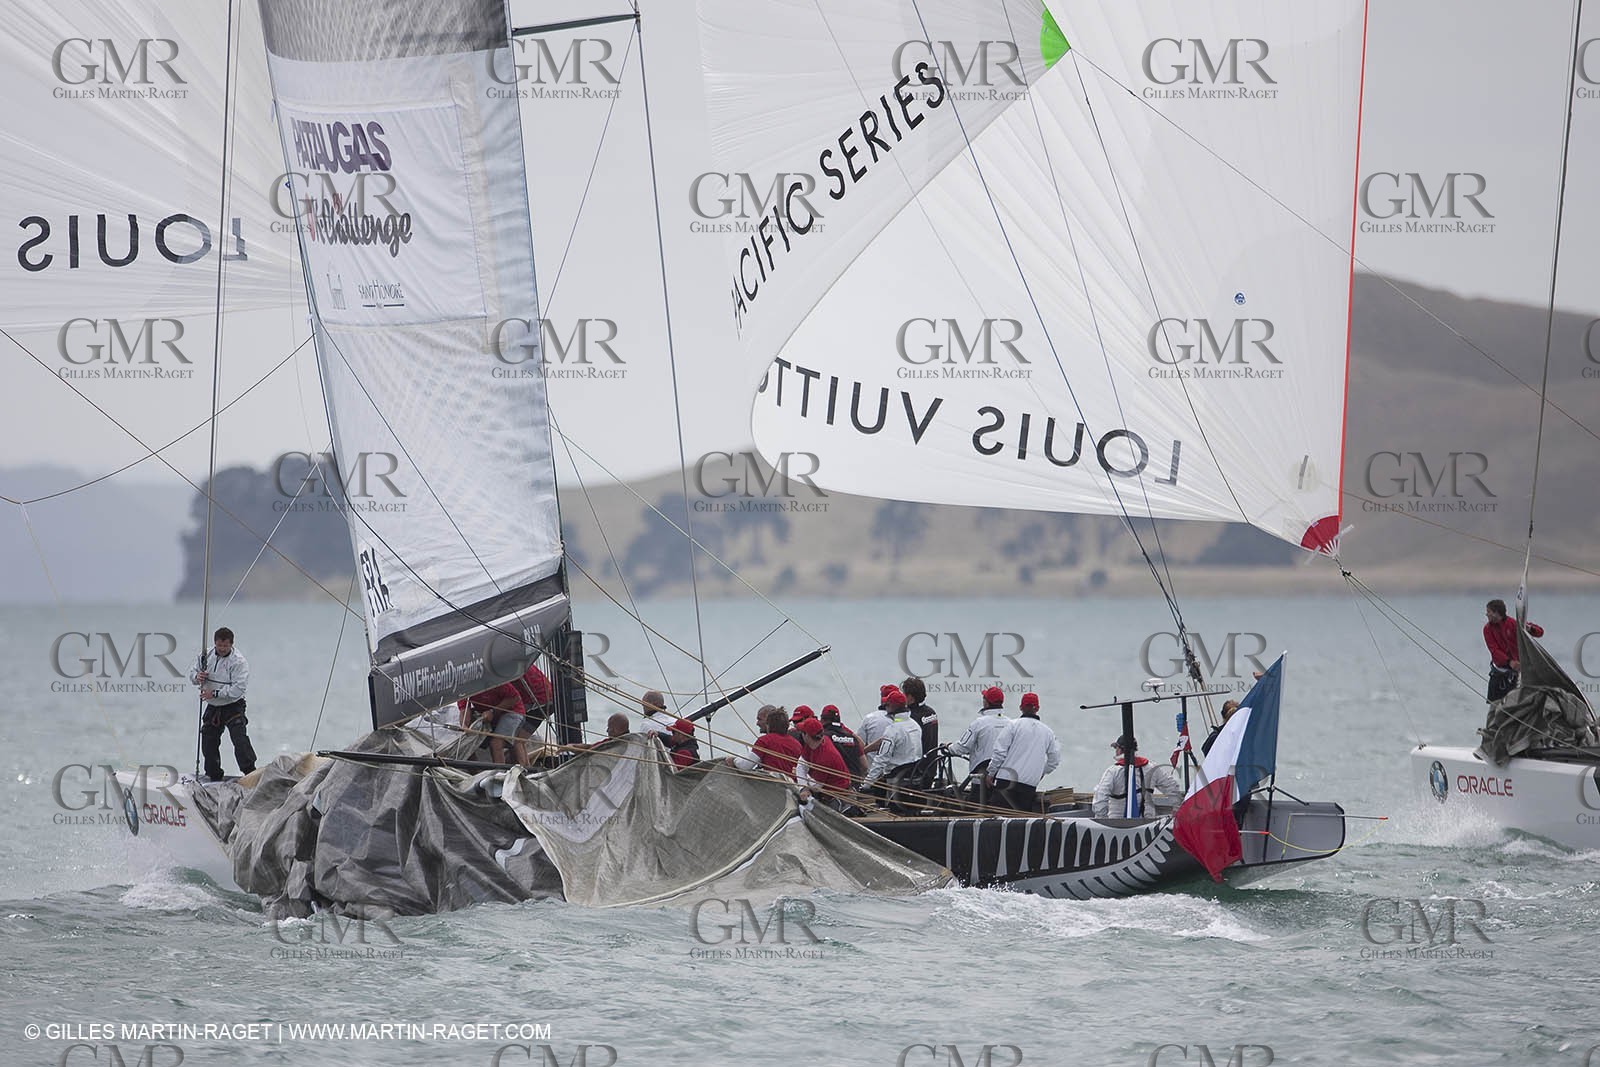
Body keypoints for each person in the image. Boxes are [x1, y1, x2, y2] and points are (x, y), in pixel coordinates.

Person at [189, 626, 257, 783]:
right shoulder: (205, 656)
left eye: (225, 646)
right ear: (215, 643)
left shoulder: (239, 662)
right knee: (208, 740)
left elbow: (238, 689)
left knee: (239, 739)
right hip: (213, 706)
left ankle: (250, 773)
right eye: (219, 645)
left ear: (231, 644)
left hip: (233, 705)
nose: (222, 649)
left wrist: (215, 693)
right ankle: (214, 776)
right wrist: (197, 677)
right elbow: (192, 674)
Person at [985, 692, 1059, 813]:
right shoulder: (1048, 732)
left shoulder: (1013, 725)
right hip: (1029, 785)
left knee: (997, 816)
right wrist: (1041, 773)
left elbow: (1000, 752)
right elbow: (1054, 760)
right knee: (1019, 818)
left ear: (1021, 707)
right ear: (1037, 709)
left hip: (1006, 781)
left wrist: (991, 773)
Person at [1092, 736, 1186, 818]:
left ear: (1120, 750)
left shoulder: (1112, 772)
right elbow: (1172, 787)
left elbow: (1100, 798)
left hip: (1117, 823)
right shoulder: (1152, 768)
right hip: (1148, 823)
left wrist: (1101, 819)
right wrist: (1177, 808)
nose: (1115, 751)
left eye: (1116, 748)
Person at [860, 687, 923, 810]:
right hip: (914, 778)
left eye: (887, 706)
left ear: (891, 707)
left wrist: (866, 784)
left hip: (896, 782)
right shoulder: (915, 725)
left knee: (879, 788)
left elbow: (881, 759)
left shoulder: (892, 730)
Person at [947, 686, 1007, 800]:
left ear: (986, 702)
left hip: (980, 780)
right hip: (1002, 779)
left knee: (974, 806)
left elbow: (962, 747)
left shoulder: (979, 723)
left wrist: (948, 747)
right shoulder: (1011, 724)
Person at [1483, 599, 1545, 703]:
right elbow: (1494, 650)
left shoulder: (1513, 624)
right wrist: (1509, 662)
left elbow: (1540, 632)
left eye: (1488, 612)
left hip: (1516, 671)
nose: (1486, 614)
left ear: (1496, 613)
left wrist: (1529, 628)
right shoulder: (1487, 629)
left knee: (1514, 703)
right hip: (1499, 671)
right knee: (1494, 705)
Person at [458, 682, 526, 765]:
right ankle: (475, 770)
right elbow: (464, 709)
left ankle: (500, 771)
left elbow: (515, 698)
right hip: (486, 714)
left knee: (496, 743)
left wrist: (493, 711)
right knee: (466, 740)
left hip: (511, 711)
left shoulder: (495, 680)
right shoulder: (464, 686)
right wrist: (464, 725)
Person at [728, 706, 804, 779]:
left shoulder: (764, 741)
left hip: (774, 784)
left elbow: (745, 766)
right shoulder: (797, 744)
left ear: (768, 725)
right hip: (792, 785)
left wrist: (734, 760)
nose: (757, 723)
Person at [794, 718, 852, 805]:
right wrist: (804, 788)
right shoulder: (813, 743)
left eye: (802, 732)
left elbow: (816, 787)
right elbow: (801, 765)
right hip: (822, 788)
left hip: (838, 795)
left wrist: (802, 777)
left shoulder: (826, 757)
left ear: (807, 736)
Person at [819, 705, 865, 778]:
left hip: (834, 781)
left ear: (822, 719)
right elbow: (865, 765)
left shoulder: (823, 738)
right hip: (855, 781)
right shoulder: (852, 736)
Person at [512, 659, 554, 739]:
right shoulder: (523, 661)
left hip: (539, 702)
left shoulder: (508, 669)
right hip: (547, 700)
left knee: (515, 740)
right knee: (517, 740)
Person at [901, 676, 940, 754]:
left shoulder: (910, 716)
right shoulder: (931, 712)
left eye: (904, 694)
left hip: (918, 760)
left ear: (910, 697)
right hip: (932, 759)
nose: (902, 696)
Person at [858, 685, 895, 756]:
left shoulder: (869, 718)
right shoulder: (903, 721)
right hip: (897, 762)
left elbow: (860, 744)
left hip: (872, 762)